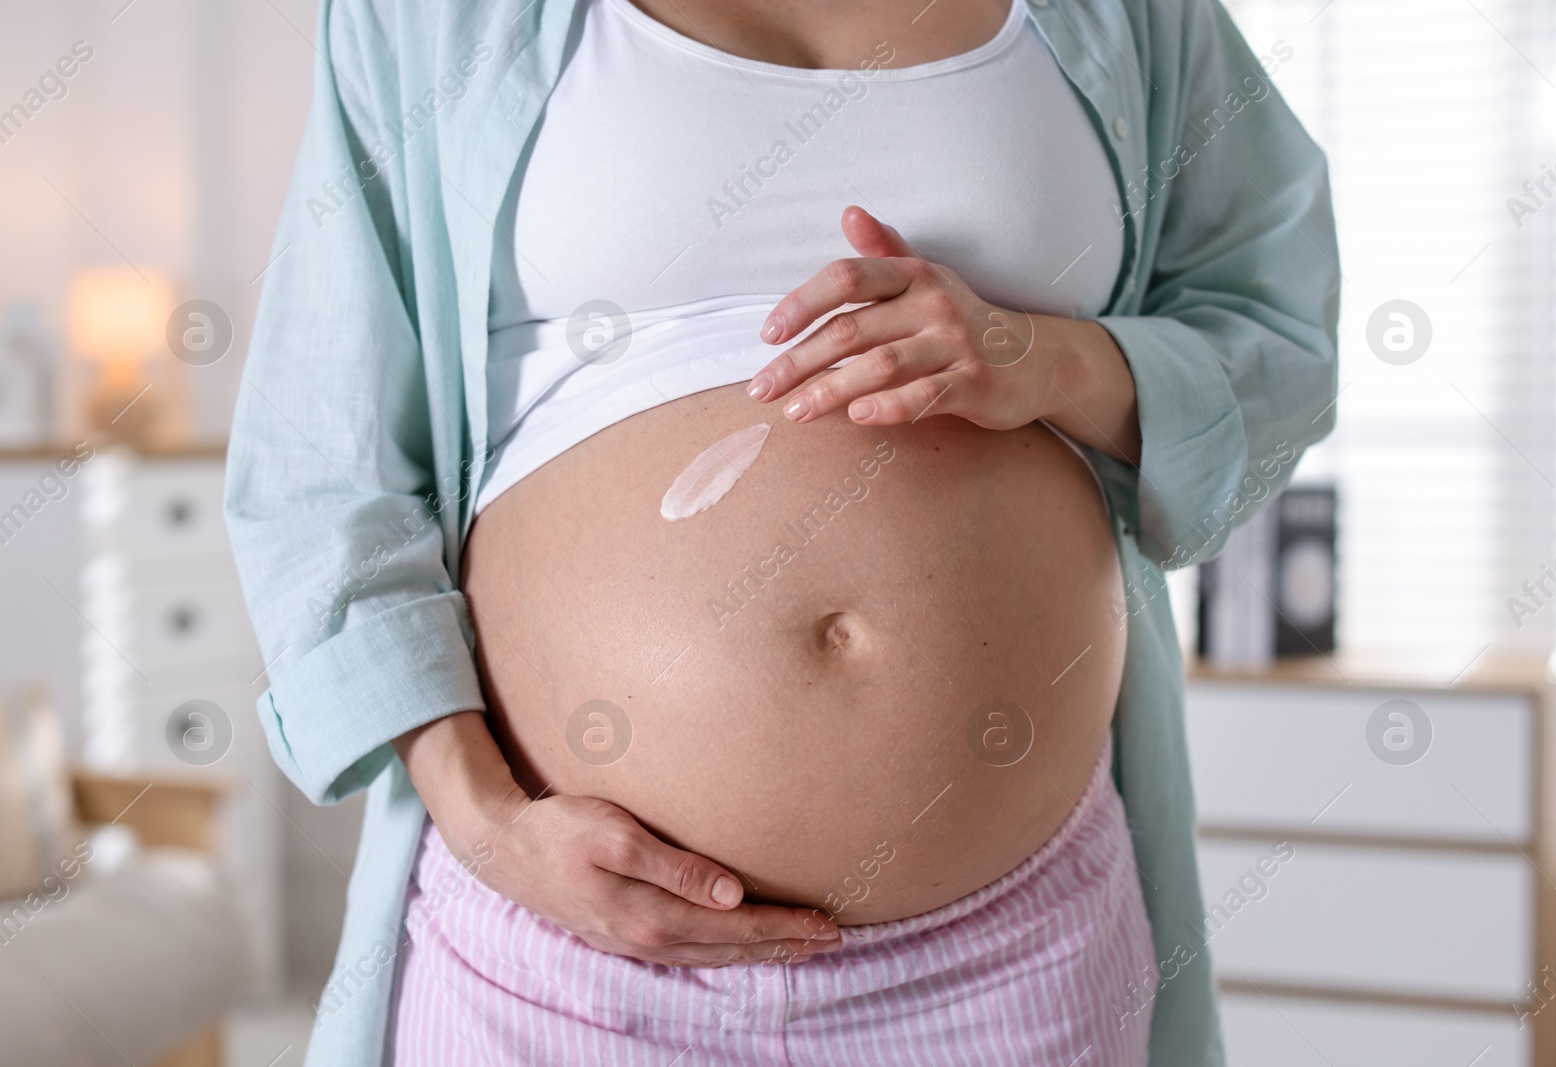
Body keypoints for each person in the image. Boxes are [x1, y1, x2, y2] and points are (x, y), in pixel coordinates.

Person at [223, 0, 1337, 1063]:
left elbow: (1276, 332)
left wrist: (1047, 358)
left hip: (1010, 959)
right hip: (571, 951)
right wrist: (485, 825)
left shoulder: (1135, 17)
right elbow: (324, 453)